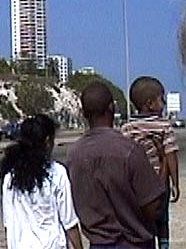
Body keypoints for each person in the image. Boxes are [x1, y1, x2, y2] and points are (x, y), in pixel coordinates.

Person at [67, 81, 167, 249]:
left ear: (84, 113)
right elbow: (152, 206)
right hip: (134, 243)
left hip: (98, 243)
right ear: (112, 108)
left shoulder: (73, 155)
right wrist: (164, 166)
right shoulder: (130, 151)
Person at [0, 114, 83, 249]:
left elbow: (8, 223)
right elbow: (70, 224)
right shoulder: (56, 173)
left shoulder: (10, 177)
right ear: (48, 141)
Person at [121, 76, 180, 249]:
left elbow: (124, 155)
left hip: (137, 185)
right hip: (159, 184)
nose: (164, 105)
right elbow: (170, 155)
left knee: (141, 220)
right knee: (162, 221)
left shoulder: (128, 128)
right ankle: (164, 245)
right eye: (161, 100)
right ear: (150, 104)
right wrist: (175, 183)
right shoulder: (164, 126)